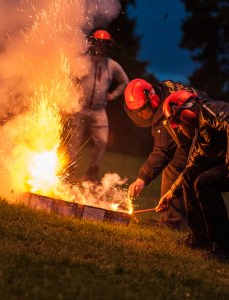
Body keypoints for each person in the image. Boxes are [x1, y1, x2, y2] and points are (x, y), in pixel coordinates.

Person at [124, 78, 206, 230]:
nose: (141, 115)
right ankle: (179, 219)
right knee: (194, 178)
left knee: (174, 167)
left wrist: (142, 178)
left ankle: (172, 223)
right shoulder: (162, 90)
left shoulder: (165, 111)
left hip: (203, 131)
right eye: (137, 112)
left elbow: (163, 150)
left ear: (153, 100)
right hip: (195, 131)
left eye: (143, 109)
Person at [156, 90, 229, 260]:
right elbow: (191, 165)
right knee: (190, 175)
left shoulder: (209, 110)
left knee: (205, 182)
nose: (180, 129)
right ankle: (200, 238)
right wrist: (170, 193)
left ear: (186, 114)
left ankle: (224, 248)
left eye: (178, 124)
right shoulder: (200, 135)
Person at [68, 29, 129, 182]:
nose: (100, 46)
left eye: (104, 43)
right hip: (81, 107)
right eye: (98, 42)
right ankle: (69, 169)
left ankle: (92, 170)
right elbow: (70, 77)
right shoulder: (84, 60)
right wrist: (72, 95)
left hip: (99, 110)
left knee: (102, 141)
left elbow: (124, 82)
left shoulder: (112, 65)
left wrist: (112, 95)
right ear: (93, 43)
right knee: (74, 140)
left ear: (109, 45)